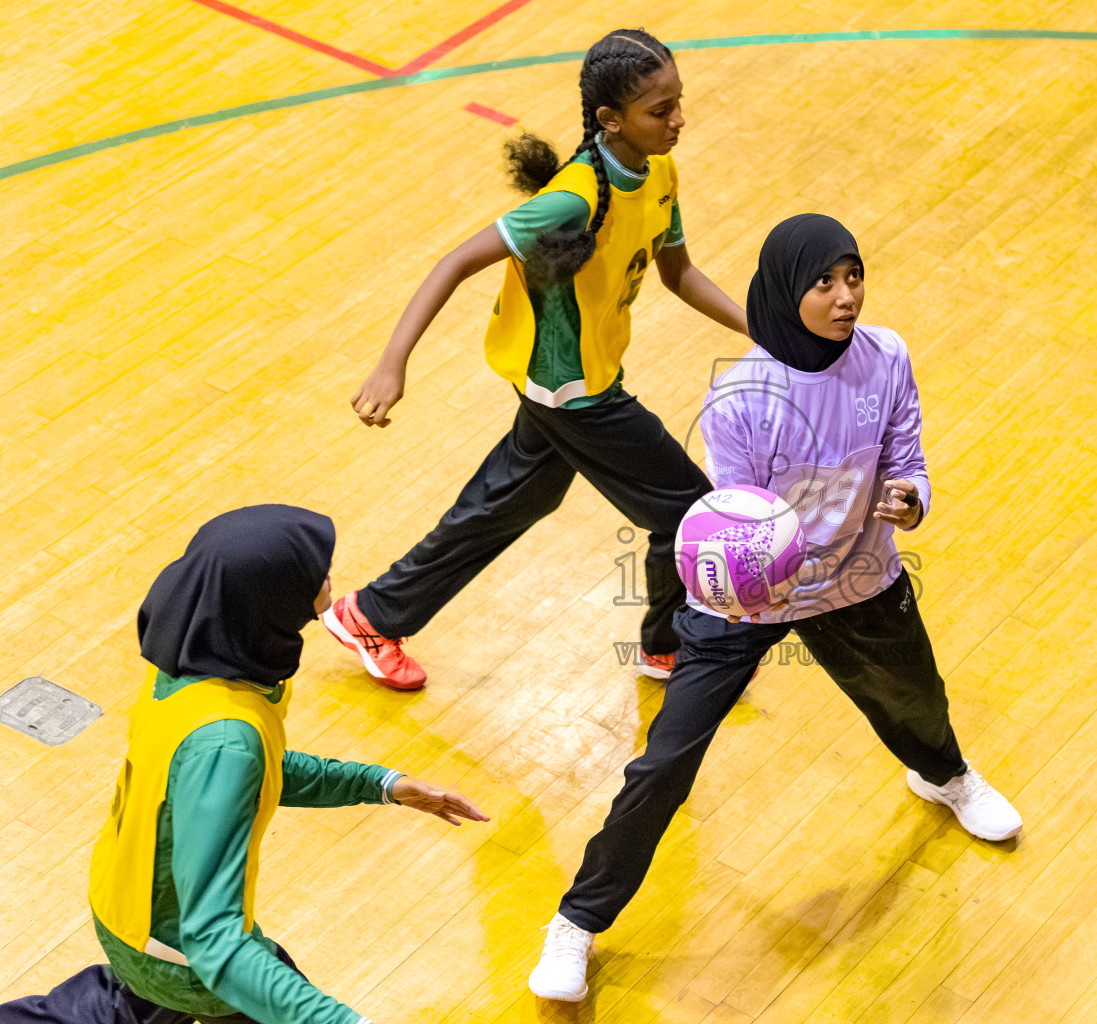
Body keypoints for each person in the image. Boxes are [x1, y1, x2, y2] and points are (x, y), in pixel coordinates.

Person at [525, 214, 1022, 1002]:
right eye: (825, 281)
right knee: (663, 763)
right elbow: (742, 514)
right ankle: (577, 925)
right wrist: (766, 582)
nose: (845, 295)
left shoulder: (887, 357)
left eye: (853, 276)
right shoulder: (741, 396)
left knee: (916, 700)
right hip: (750, 601)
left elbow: (907, 453)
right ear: (787, 290)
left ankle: (945, 777)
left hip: (861, 579)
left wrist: (910, 498)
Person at [324, 29, 748, 690]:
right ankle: (666, 647)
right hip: (573, 393)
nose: (677, 119)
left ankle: (370, 614)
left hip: (580, 378)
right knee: (690, 513)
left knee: (511, 503)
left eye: (677, 102)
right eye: (659, 110)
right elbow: (455, 262)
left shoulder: (659, 170)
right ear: (612, 120)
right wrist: (391, 364)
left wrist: (759, 326)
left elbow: (679, 274)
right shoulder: (571, 199)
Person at [0, 505, 488, 1024]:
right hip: (178, 960)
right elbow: (216, 944)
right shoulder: (228, 740)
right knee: (264, 988)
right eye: (309, 571)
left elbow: (241, 775)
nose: (325, 576)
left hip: (122, 908)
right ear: (267, 597)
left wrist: (382, 784)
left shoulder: (187, 664)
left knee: (127, 1006)